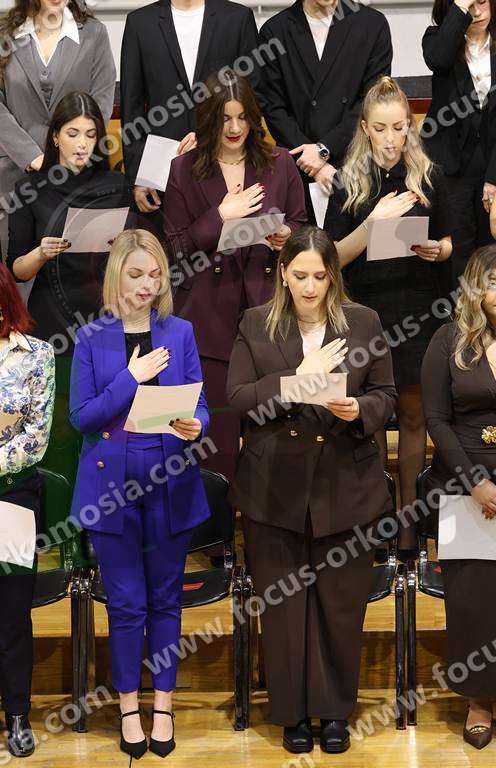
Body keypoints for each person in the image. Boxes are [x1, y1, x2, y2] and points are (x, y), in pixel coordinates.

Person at [226, 225, 396, 753]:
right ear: (283, 274)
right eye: (300, 275)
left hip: (346, 485)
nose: (309, 287)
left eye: (320, 277)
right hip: (274, 490)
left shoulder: (364, 321)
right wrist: (299, 378)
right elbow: (239, 398)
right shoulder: (255, 322)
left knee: (339, 608)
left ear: (333, 278)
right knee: (284, 611)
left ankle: (334, 712)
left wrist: (359, 408)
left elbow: (386, 395)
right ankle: (293, 714)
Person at [69, 228, 210, 761]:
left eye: (155, 274)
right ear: (117, 278)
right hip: (112, 486)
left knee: (165, 599)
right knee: (127, 603)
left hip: (169, 478)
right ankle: (129, 706)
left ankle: (163, 705)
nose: (147, 284)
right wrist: (130, 378)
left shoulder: (181, 331)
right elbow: (83, 417)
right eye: (135, 274)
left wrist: (196, 424)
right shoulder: (91, 337)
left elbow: (200, 404)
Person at [324, 75, 452, 551]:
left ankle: (409, 530)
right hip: (368, 313)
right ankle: (378, 526)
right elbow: (330, 258)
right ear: (364, 128)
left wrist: (438, 250)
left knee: (415, 420)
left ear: (409, 126)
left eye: (399, 128)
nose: (391, 139)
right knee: (373, 419)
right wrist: (373, 222)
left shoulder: (428, 175)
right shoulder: (348, 181)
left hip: (419, 310)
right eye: (381, 129)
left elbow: (450, 241)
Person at [164, 70, 307, 480]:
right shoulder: (183, 169)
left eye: (243, 117)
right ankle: (218, 521)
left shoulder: (280, 162)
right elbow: (175, 249)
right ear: (209, 119)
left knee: (275, 439)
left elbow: (301, 225)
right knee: (217, 445)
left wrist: (286, 237)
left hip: (268, 313)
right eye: (225, 118)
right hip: (208, 320)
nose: (234, 127)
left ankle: (269, 519)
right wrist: (221, 215)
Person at [421, 244, 496, 749]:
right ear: (474, 287)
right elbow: (436, 419)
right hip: (461, 488)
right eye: (492, 281)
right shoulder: (447, 340)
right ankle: (478, 700)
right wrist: (475, 482)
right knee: (471, 602)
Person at [0, 259, 55, 758]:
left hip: (10, 496)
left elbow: (36, 437)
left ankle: (17, 716)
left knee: (12, 616)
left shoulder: (36, 355)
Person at [0, 0, 115, 257]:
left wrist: (72, 151)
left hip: (77, 176)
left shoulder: (94, 33)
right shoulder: (0, 35)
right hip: (16, 174)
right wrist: (32, 157)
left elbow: (102, 99)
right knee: (18, 269)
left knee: (77, 267)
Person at [7, 91, 133, 356]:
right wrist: (40, 254)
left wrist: (123, 247)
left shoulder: (117, 185)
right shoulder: (30, 189)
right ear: (55, 136)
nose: (82, 144)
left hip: (106, 311)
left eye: (90, 135)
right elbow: (16, 270)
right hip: (50, 316)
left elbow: (135, 253)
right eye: (73, 134)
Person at [120, 0, 261, 235]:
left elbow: (251, 95)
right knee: (169, 251)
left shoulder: (237, 18)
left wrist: (208, 134)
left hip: (227, 166)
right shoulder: (140, 23)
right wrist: (139, 175)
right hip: (160, 175)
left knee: (228, 248)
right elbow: (131, 105)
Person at [257, 0, 392, 220]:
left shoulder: (372, 24)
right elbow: (273, 106)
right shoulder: (275, 31)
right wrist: (313, 160)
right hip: (299, 167)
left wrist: (325, 149)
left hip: (355, 164)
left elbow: (371, 100)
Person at [422, 0, 496, 287]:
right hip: (450, 166)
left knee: (490, 253)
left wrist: (493, 178)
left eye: (481, 2)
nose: (476, 12)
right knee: (457, 256)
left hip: (490, 164)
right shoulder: (437, 39)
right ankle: (455, 316)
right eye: (468, 4)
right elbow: (438, 58)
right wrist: (460, 9)